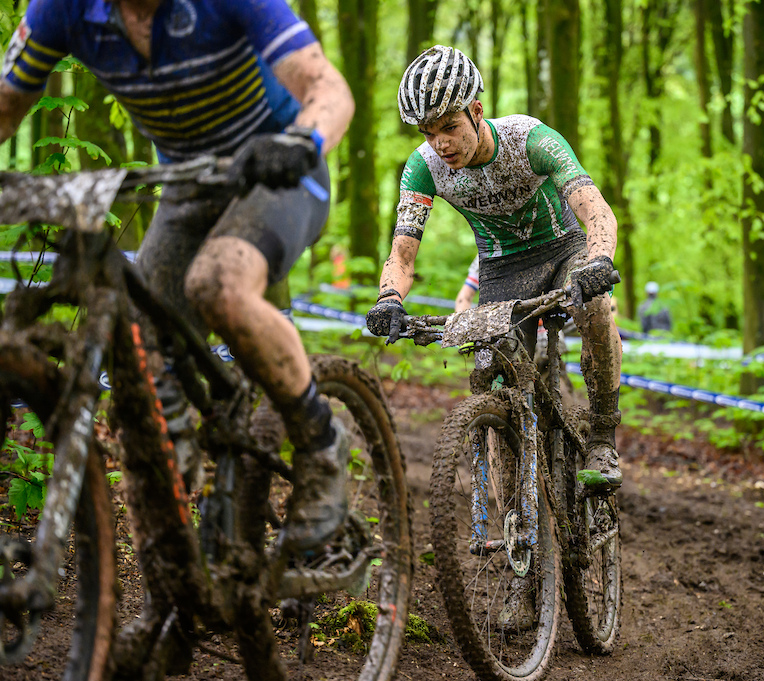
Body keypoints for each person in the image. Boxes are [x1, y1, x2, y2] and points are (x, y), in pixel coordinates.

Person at [0, 0, 354, 552]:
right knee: (137, 355)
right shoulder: (61, 9)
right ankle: (183, 518)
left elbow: (329, 89)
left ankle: (321, 446)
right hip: (189, 185)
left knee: (219, 284)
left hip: (277, 172)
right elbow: (5, 105)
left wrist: (298, 141)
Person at [366, 45, 623, 495]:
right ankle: (515, 510)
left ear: (477, 110)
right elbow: (403, 254)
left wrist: (599, 259)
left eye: (449, 127)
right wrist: (390, 298)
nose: (440, 143)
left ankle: (603, 436)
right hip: (502, 271)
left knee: (597, 308)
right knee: (491, 373)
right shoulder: (424, 168)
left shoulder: (532, 141)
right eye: (428, 133)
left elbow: (597, 211)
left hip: (564, 251)